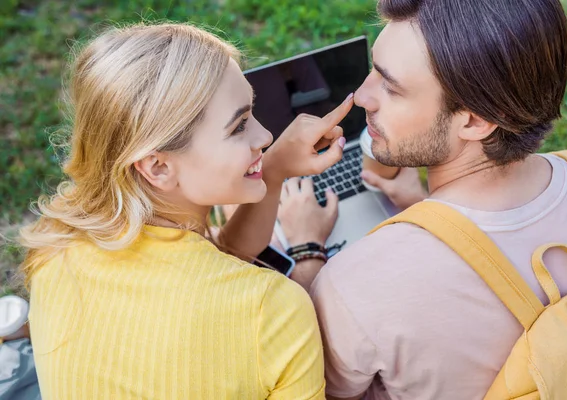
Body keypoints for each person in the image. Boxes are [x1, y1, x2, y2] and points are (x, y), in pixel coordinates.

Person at [277, 0, 567, 398]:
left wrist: (307, 253)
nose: (361, 96)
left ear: (476, 121)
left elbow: (311, 386)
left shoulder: (358, 283)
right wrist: (423, 208)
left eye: (391, 87)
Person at [19, 22, 355, 399]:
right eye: (239, 126)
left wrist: (272, 170)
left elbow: (207, 265)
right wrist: (308, 254)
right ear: (158, 167)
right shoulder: (273, 312)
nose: (264, 137)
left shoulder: (55, 243)